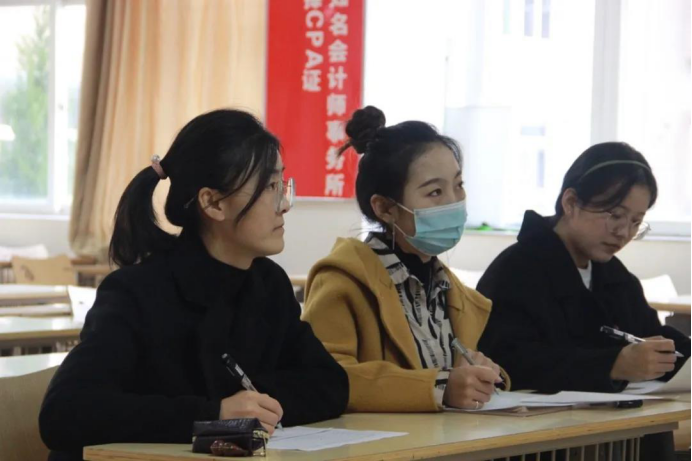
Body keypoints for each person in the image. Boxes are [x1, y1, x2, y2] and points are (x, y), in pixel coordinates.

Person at [40, 109, 349, 461]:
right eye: (269, 187)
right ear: (212, 203)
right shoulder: (136, 292)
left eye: (282, 184)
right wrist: (213, 414)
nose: (284, 205)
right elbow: (65, 412)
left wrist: (254, 406)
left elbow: (330, 384)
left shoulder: (268, 283)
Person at [477, 142, 690, 460]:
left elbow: (649, 333)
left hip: (619, 435)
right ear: (571, 202)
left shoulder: (613, 274)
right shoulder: (517, 270)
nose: (623, 232)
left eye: (636, 222)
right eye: (615, 215)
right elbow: (510, 363)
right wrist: (613, 365)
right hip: (542, 440)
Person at [303, 106, 508, 414]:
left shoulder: (450, 289)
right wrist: (440, 387)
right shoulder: (343, 281)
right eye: (435, 192)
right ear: (385, 208)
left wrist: (487, 377)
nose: (454, 202)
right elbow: (327, 376)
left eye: (459, 185)